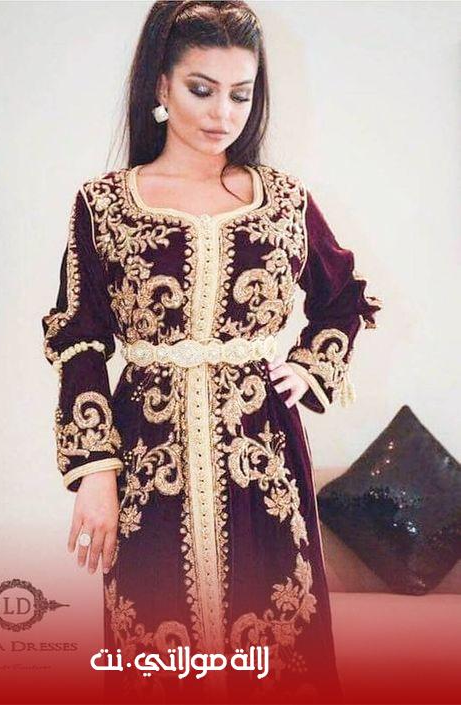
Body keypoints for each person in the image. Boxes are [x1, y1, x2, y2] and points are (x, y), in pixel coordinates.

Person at [41, 1, 382, 703]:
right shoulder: (104, 206)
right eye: (202, 88)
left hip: (262, 458)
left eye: (240, 93)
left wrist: (311, 367)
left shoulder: (283, 202)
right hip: (148, 460)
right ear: (160, 86)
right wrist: (95, 474)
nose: (222, 113)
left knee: (278, 646)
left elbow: (345, 298)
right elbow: (78, 335)